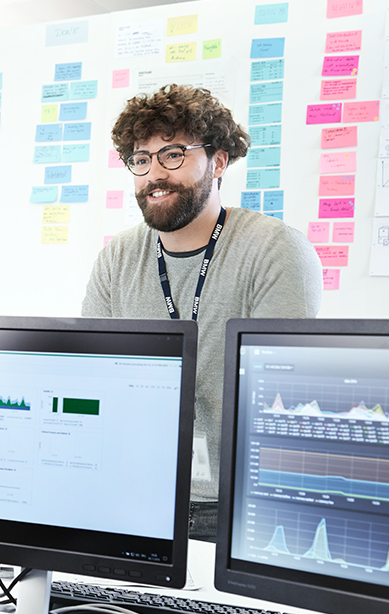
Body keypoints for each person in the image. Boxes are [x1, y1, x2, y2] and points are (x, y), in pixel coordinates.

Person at [83, 84, 322, 542]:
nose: (154, 174)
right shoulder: (117, 260)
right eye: (141, 159)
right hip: (138, 498)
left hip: (242, 508)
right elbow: (97, 382)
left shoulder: (276, 252)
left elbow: (284, 405)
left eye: (173, 154)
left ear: (218, 160)